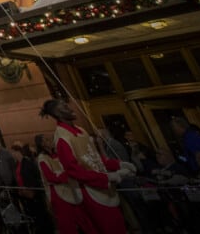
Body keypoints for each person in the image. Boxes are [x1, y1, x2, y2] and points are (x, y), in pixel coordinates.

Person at [40, 98, 133, 233]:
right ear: (58, 113)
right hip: (90, 192)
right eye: (65, 106)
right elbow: (74, 171)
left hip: (104, 187)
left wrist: (118, 164)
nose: (71, 108)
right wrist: (107, 178)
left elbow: (93, 157)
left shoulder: (81, 130)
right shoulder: (62, 138)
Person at [35, 133, 92, 234]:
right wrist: (68, 174)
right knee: (67, 224)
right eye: (47, 139)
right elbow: (50, 177)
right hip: (58, 194)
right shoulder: (42, 158)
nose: (51, 141)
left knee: (82, 218)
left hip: (70, 188)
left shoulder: (57, 154)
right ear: (42, 144)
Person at [10, 142, 53, 233]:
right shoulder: (16, 164)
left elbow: (35, 176)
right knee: (33, 215)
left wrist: (31, 189)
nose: (12, 154)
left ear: (18, 152)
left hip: (33, 193)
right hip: (25, 193)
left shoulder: (28, 162)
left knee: (41, 214)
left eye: (13, 152)